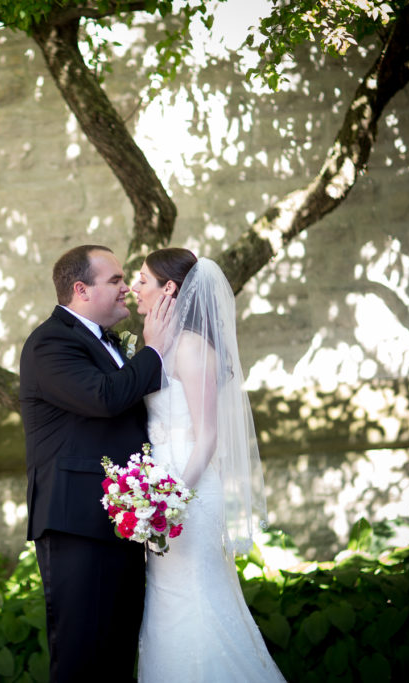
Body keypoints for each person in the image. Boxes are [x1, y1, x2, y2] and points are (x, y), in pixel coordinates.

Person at [20, 244, 174, 682]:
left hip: (122, 521)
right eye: (116, 280)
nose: (126, 288)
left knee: (117, 656)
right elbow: (103, 398)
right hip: (75, 523)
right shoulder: (50, 342)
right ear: (81, 289)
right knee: (81, 657)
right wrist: (155, 352)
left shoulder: (108, 343)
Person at [131, 247, 285, 681]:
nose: (136, 288)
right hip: (162, 491)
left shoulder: (194, 348)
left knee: (194, 596)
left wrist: (171, 499)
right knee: (167, 600)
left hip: (188, 491)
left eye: (144, 279)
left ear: (170, 289)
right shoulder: (163, 346)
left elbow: (208, 438)